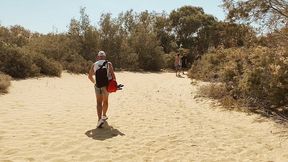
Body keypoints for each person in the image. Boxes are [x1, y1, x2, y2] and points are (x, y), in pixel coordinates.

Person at [88, 51, 116, 128]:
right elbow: (113, 76)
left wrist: (94, 82)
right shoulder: (108, 64)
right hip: (106, 86)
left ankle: (99, 119)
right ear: (104, 57)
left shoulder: (94, 64)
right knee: (105, 101)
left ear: (98, 57)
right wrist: (114, 85)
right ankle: (104, 115)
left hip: (97, 85)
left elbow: (89, 76)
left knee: (98, 103)